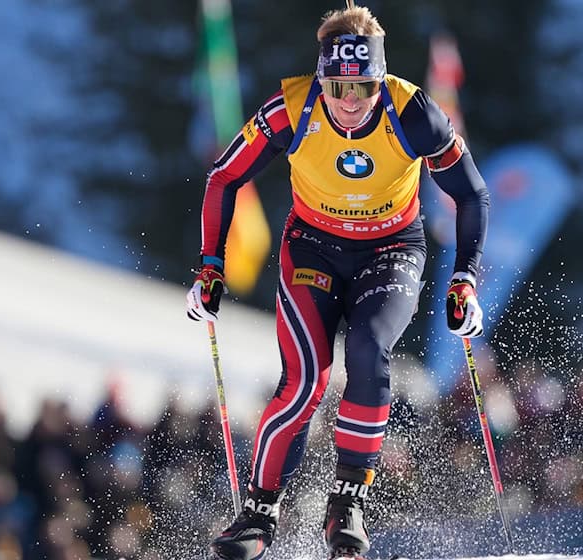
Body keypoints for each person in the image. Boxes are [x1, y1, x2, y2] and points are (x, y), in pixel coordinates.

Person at [186, 2, 489, 559]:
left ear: (381, 81)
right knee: (305, 381)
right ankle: (258, 511)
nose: (349, 103)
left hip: (391, 249)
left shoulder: (413, 112)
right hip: (314, 249)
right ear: (322, 79)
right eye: (337, 88)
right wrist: (211, 266)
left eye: (363, 88)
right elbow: (224, 177)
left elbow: (471, 194)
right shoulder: (291, 108)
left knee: (370, 350)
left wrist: (464, 279)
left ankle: (346, 502)